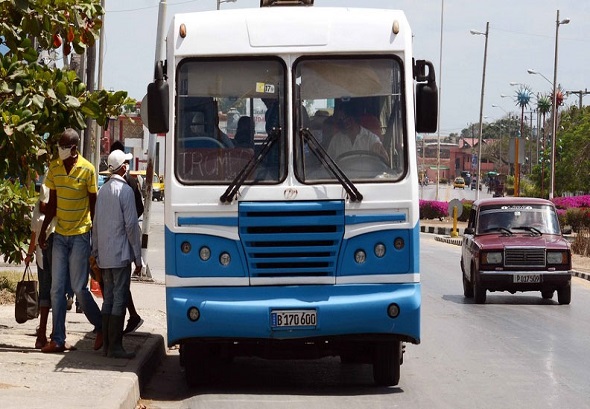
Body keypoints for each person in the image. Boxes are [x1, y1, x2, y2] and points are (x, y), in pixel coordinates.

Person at [38, 128, 103, 353]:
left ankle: (101, 325)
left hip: (80, 236)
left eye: (64, 147)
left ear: (74, 148)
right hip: (60, 236)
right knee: (56, 289)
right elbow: (52, 204)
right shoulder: (54, 168)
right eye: (60, 146)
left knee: (78, 287)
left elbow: (94, 205)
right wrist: (43, 230)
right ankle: (57, 339)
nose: (61, 150)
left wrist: (96, 236)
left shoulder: (88, 169)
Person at [92, 150, 142, 358]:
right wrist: (138, 257)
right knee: (119, 299)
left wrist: (95, 251)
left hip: (104, 255)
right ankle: (116, 347)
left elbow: (95, 225)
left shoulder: (103, 191)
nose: (128, 168)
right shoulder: (125, 192)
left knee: (109, 299)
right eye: (127, 164)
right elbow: (131, 225)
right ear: (122, 168)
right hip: (120, 255)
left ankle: (108, 346)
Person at [109, 141, 144, 334]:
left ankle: (127, 320)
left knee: (119, 285)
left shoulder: (126, 182)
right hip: (120, 239)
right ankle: (129, 317)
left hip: (122, 239)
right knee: (119, 284)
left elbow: (136, 212)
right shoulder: (123, 181)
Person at [25, 150, 57, 349]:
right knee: (53, 291)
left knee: (48, 291)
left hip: (40, 253)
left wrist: (29, 254)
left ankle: (44, 334)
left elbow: (34, 234)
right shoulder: (50, 209)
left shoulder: (37, 209)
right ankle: (49, 334)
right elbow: (36, 234)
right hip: (48, 249)